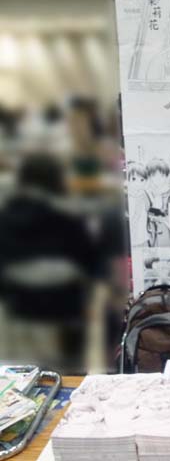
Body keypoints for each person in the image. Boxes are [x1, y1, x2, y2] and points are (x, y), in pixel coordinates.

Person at [0, 154, 101, 371]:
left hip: (17, 315)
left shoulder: (5, 218)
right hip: (64, 317)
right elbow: (92, 265)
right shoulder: (68, 218)